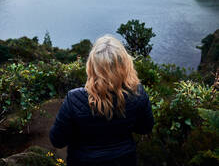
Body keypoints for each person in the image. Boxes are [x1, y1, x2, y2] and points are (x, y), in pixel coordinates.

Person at [50, 35, 154, 166]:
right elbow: (145, 128)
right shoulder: (137, 93)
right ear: (125, 64)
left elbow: (57, 140)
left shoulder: (74, 99)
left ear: (92, 65)